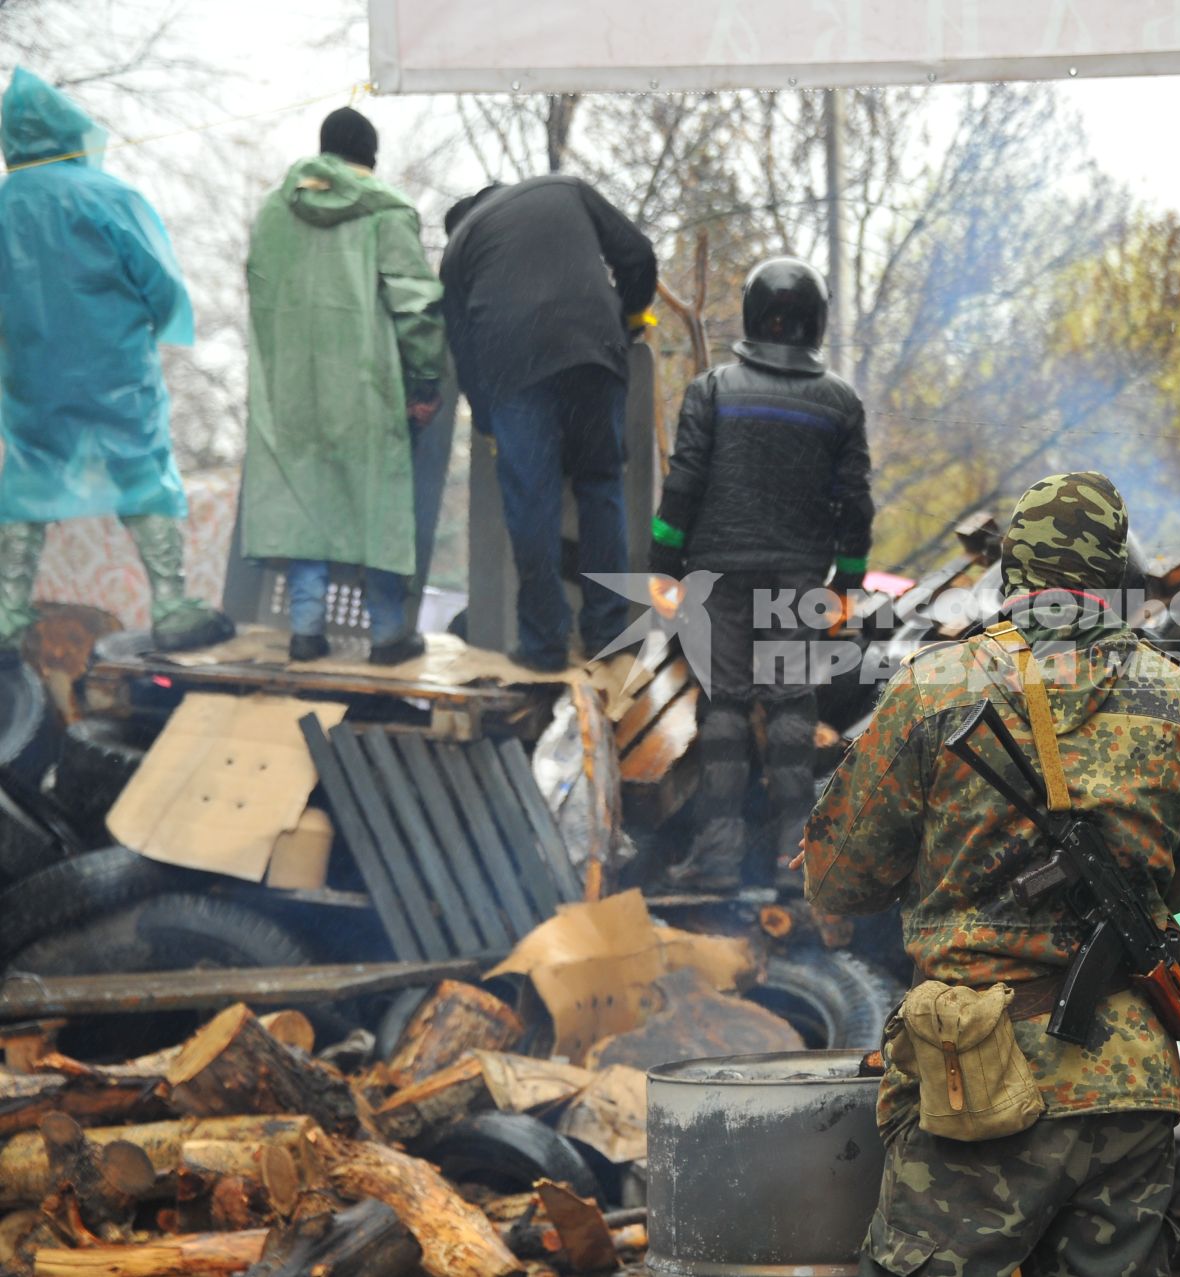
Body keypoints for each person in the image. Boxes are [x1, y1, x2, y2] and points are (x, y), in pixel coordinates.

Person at [803, 472, 1180, 1277]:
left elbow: (839, 881)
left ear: (1014, 570)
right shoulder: (1179, 699)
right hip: (1130, 1082)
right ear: (1116, 576)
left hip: (979, 1081)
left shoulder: (937, 686)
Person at [649, 258, 872, 894]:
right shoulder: (839, 402)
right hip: (798, 584)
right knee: (792, 719)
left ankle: (718, 860)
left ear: (752, 315)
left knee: (721, 712)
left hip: (715, 578)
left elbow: (684, 483)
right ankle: (795, 864)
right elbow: (855, 503)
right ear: (817, 323)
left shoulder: (711, 390)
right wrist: (845, 583)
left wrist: (663, 561)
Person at [0, 69, 232, 663]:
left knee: (28, 478)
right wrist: (158, 325)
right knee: (142, 472)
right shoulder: (110, 198)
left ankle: (7, 609)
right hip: (114, 369)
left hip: (30, 373)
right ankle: (172, 604)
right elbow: (161, 283)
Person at [241, 106, 447, 664]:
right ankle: (386, 636)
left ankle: (306, 631)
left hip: (290, 384)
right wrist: (426, 378)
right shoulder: (388, 212)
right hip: (365, 383)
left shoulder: (273, 213)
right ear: (370, 160)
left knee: (307, 498)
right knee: (375, 500)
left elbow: (258, 294)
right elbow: (415, 303)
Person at [439, 176, 657, 671]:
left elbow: (463, 349)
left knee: (530, 504)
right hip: (592, 351)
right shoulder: (563, 189)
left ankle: (544, 643)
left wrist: (489, 421)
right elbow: (638, 255)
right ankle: (608, 632)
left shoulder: (457, 248)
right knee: (600, 486)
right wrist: (628, 318)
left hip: (515, 366)